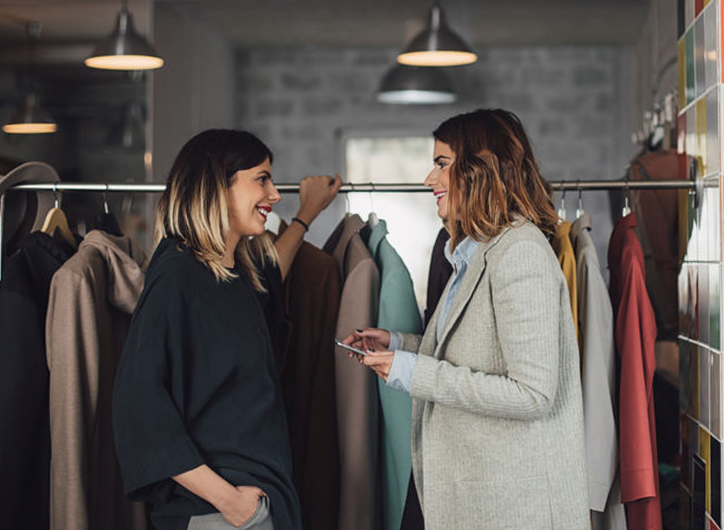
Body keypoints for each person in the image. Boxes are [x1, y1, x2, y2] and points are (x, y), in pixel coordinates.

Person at [343, 109, 589, 529]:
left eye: (441, 164)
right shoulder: (474, 253)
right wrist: (400, 345)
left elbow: (532, 393)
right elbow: (478, 352)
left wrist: (411, 372)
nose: (428, 180)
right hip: (481, 499)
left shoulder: (520, 253)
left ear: (481, 170)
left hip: (515, 508)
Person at [112, 129, 341, 530]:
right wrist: (230, 502)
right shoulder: (179, 274)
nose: (273, 195)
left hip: (252, 502)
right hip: (220, 512)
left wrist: (307, 216)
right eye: (261, 179)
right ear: (219, 185)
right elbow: (138, 403)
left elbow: (272, 278)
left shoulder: (234, 275)